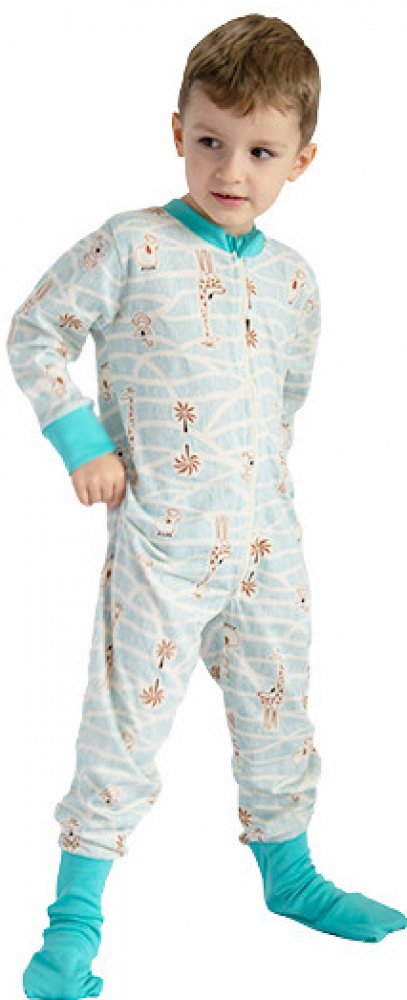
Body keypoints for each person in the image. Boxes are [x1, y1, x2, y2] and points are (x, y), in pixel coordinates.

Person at [7, 12, 406, 1000]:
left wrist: (257, 489)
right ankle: (72, 923)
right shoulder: (130, 245)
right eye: (210, 141)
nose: (230, 169)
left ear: (301, 160)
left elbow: (285, 397)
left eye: (259, 151)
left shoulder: (294, 281)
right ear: (176, 132)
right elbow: (35, 332)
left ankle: (288, 873)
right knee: (123, 728)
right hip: (163, 543)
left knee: (280, 706)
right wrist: (84, 440)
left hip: (268, 541)